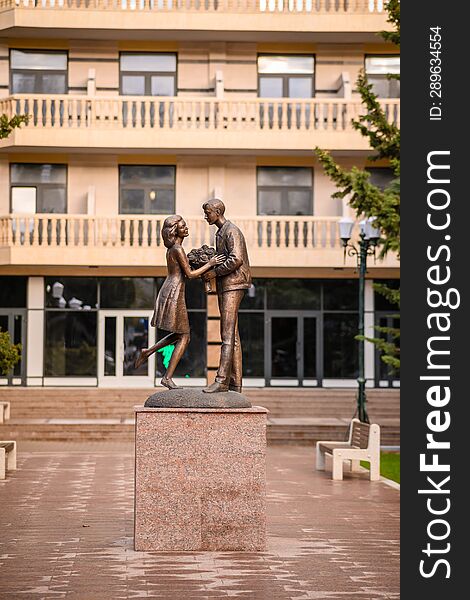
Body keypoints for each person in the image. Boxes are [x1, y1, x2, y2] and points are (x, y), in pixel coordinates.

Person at [135, 215, 223, 390]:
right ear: (175, 230)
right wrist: (210, 263)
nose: (186, 228)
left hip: (173, 290)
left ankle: (149, 351)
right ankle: (167, 377)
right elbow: (190, 274)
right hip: (174, 292)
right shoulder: (177, 249)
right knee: (185, 335)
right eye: (183, 226)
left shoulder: (175, 249)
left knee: (180, 335)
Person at [201, 199, 252, 394]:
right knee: (233, 335)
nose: (206, 215)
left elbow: (237, 258)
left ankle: (222, 381)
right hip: (227, 284)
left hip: (234, 284)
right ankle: (235, 384)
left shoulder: (231, 230)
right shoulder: (220, 233)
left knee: (227, 333)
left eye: (208, 212)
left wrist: (215, 272)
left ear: (218, 211)